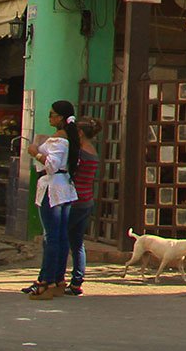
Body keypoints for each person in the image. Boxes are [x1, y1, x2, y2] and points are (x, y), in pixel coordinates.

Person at [23, 101, 80, 300]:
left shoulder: (59, 138)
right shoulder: (70, 138)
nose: (50, 118)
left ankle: (45, 281)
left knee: (51, 237)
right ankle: (57, 279)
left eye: (52, 114)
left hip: (52, 188)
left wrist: (35, 152)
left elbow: (52, 165)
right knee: (60, 236)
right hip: (65, 188)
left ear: (61, 118)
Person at [65, 117, 102, 296]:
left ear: (79, 133)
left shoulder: (79, 153)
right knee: (77, 242)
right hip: (86, 200)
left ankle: (55, 278)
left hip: (74, 200)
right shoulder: (92, 152)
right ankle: (76, 281)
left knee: (60, 239)